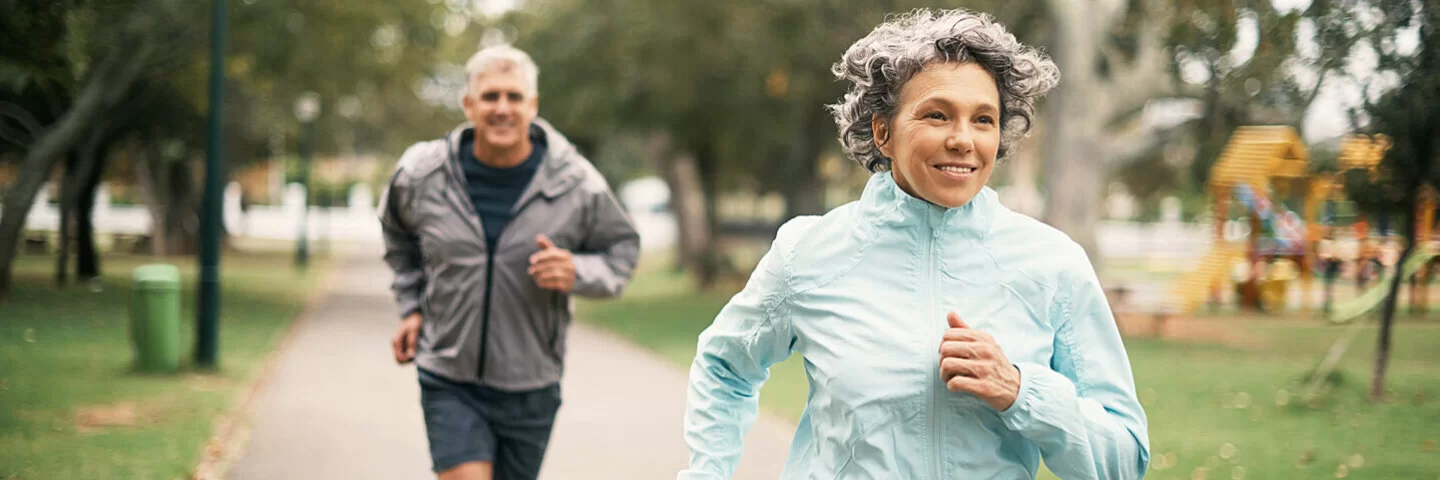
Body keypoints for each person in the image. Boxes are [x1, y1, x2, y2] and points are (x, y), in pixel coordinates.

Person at [680, 9, 1149, 479]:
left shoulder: (1053, 262)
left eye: (983, 120)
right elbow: (724, 367)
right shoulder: (810, 252)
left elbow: (1125, 461)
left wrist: (1022, 391)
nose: (963, 139)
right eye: (937, 115)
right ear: (883, 131)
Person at [379, 44, 639, 480]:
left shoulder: (576, 183)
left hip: (531, 385)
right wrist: (411, 305)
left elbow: (622, 252)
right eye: (490, 96)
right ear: (468, 104)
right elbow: (397, 233)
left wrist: (578, 271)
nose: (502, 108)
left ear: (532, 105)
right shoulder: (423, 175)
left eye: (514, 97)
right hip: (449, 374)